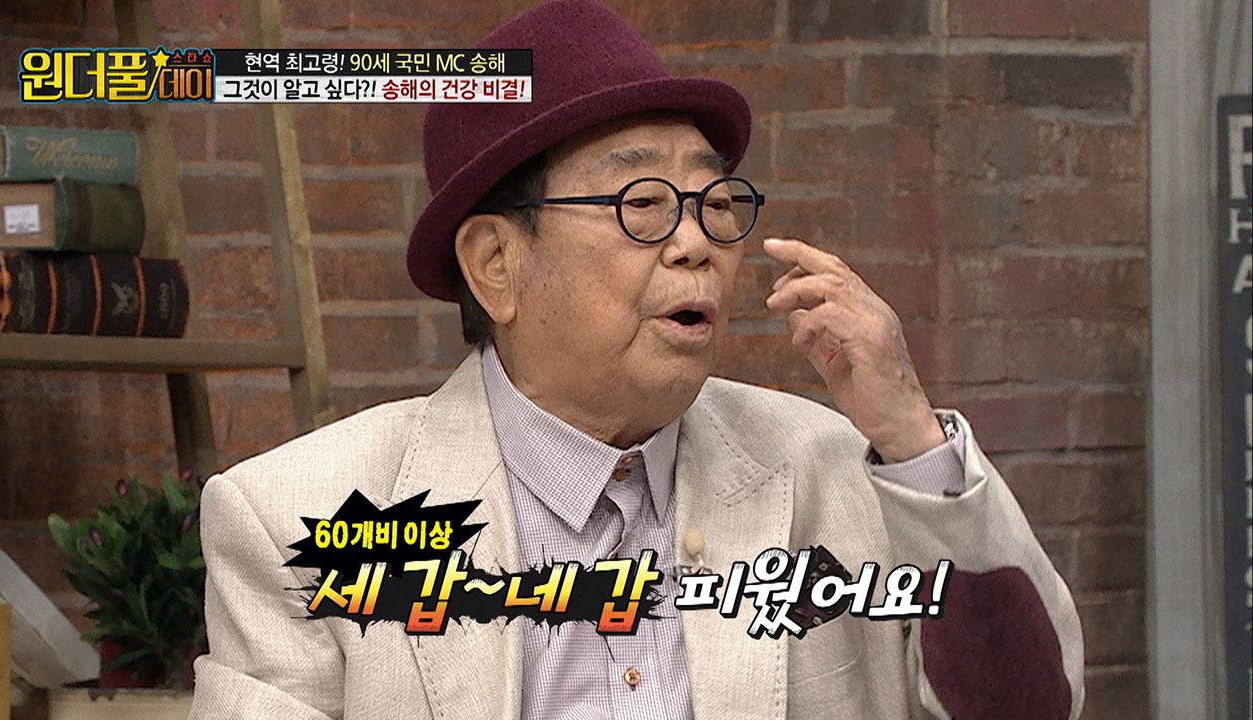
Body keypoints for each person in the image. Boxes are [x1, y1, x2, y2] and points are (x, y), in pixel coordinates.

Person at [188, 2, 1084, 719]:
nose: (696, 244)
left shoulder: (849, 477)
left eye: (713, 202)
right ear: (496, 265)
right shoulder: (302, 523)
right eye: (642, 203)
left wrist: (911, 437)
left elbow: (1030, 709)